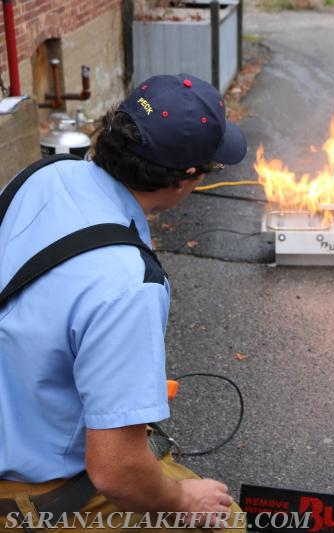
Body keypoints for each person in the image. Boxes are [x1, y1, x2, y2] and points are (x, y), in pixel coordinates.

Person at [0, 74, 248, 530]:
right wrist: (181, 501)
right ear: (187, 177)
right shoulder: (127, 283)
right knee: (226, 521)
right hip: (26, 493)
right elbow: (115, 471)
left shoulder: (45, 174)